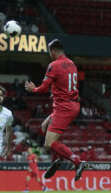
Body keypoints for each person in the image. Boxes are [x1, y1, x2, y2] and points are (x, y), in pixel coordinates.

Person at [25, 39, 87, 181]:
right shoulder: (72, 64)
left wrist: (33, 89)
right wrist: (57, 90)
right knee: (44, 126)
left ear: (52, 52)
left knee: (49, 143)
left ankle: (77, 162)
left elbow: (43, 88)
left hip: (64, 107)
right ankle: (56, 160)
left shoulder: (54, 65)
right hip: (71, 104)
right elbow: (67, 83)